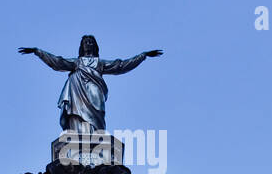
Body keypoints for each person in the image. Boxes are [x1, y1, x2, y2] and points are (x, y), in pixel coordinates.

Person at [18, 36, 163, 133]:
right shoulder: (77, 62)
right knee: (76, 114)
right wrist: (38, 52)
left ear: (95, 46)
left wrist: (142, 56)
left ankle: (96, 135)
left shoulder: (100, 63)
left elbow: (121, 65)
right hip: (76, 89)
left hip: (94, 89)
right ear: (81, 46)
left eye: (91, 42)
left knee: (97, 112)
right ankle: (77, 134)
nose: (88, 44)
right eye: (85, 42)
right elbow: (58, 62)